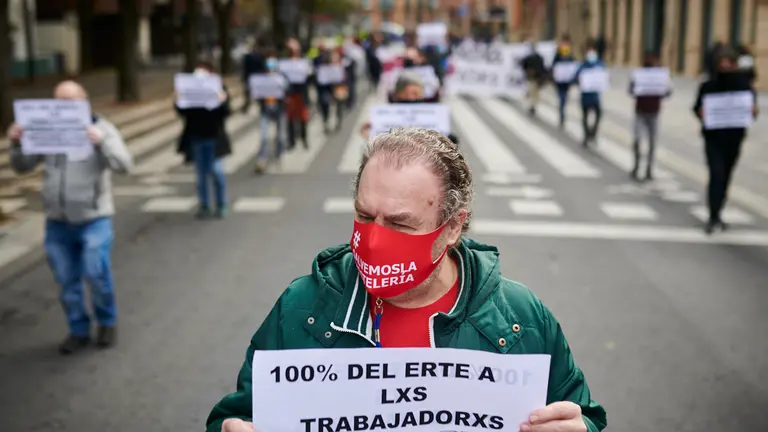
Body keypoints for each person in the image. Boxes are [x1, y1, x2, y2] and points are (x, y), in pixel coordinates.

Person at [205, 128, 606, 432]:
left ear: (452, 228)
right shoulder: (304, 306)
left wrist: (579, 427)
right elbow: (240, 411)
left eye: (400, 223)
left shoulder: (521, 319)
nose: (376, 239)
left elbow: (583, 414)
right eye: (365, 216)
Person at [7, 80, 133, 354]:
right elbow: (21, 166)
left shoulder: (102, 129)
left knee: (96, 272)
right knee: (66, 281)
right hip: (57, 222)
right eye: (58, 103)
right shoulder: (46, 130)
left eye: (70, 103)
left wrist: (100, 143)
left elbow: (125, 165)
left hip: (94, 219)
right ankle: (78, 329)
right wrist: (16, 143)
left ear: (84, 102)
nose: (63, 109)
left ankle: (107, 321)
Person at [693, 47, 759, 235]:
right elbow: (697, 107)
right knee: (717, 174)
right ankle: (713, 215)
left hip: (734, 138)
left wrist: (753, 111)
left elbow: (752, 110)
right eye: (722, 63)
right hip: (713, 139)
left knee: (726, 176)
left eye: (728, 62)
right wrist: (701, 113)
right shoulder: (708, 85)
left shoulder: (743, 85)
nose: (725, 66)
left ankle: (718, 211)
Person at [175, 61, 231, 218]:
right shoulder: (188, 89)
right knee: (201, 174)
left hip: (214, 137)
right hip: (197, 137)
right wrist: (178, 100)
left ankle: (221, 203)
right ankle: (204, 204)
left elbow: (226, 112)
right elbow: (182, 111)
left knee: (217, 171)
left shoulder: (219, 88)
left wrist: (223, 101)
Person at [628, 53, 672, 181]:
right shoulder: (638, 75)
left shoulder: (662, 76)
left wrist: (661, 88)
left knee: (652, 142)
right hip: (640, 112)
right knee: (637, 140)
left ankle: (649, 168)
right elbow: (630, 90)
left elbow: (668, 91)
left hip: (654, 112)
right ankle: (637, 165)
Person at [254, 49, 290, 173]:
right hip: (265, 110)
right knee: (264, 137)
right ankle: (262, 159)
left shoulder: (282, 76)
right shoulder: (260, 76)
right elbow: (256, 92)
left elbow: (288, 90)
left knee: (281, 137)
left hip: (280, 110)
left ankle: (279, 155)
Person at [573, 43, 606, 147]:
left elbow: (605, 77)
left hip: (595, 97)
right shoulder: (583, 66)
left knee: (598, 115)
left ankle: (592, 133)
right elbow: (576, 78)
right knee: (585, 116)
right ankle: (587, 134)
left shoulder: (600, 65)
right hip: (585, 97)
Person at [284, 38, 311, 151]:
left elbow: (309, 75)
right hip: (289, 94)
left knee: (303, 118)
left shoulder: (304, 61)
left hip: (302, 94)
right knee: (290, 118)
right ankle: (291, 141)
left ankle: (304, 138)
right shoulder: (284, 63)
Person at [551, 35, 576, 128]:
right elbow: (553, 66)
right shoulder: (557, 54)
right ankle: (562, 116)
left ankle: (562, 113)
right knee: (562, 99)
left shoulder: (570, 55)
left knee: (564, 99)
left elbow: (573, 66)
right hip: (559, 81)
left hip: (567, 82)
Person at [520, 41, 547, 116]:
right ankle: (532, 105)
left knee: (533, 93)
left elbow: (523, 66)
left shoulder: (531, 58)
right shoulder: (537, 58)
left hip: (534, 79)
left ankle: (532, 106)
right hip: (534, 79)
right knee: (534, 93)